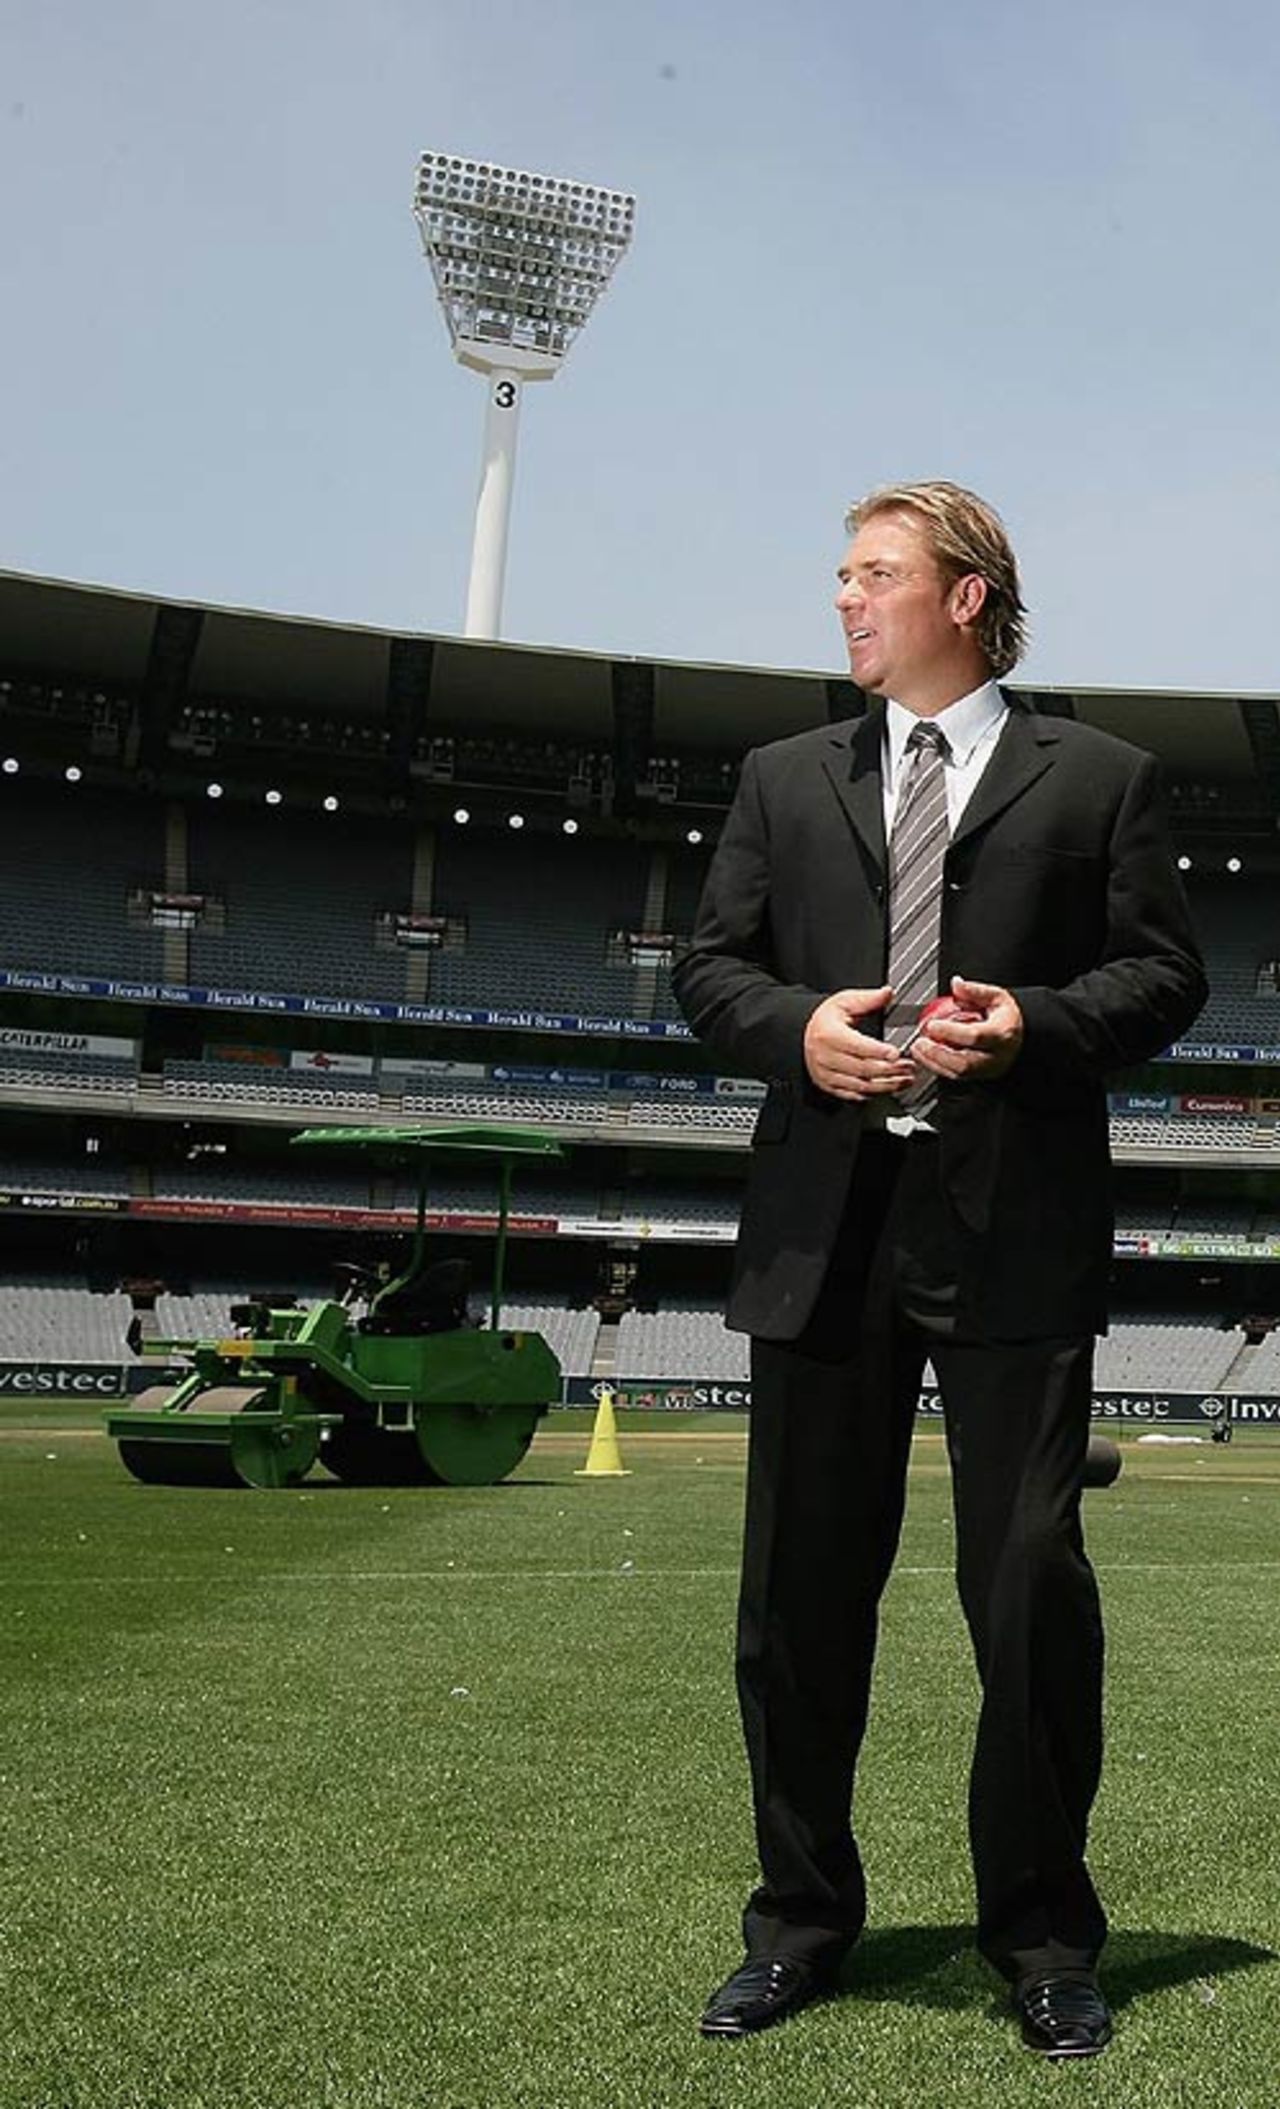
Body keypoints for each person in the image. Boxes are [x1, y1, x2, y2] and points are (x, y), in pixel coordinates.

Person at [672, 481, 1206, 2059]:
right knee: (797, 1599)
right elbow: (711, 969)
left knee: (1028, 1581)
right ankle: (798, 1921)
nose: (844, 597)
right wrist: (800, 1030)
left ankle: (1042, 1935)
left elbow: (1165, 971)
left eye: (875, 573)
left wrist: (1037, 1022)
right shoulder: (782, 778)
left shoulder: (1098, 777)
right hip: (824, 1233)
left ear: (966, 595)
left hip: (1012, 1228)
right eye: (842, 574)